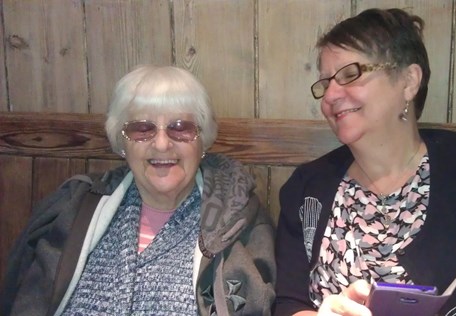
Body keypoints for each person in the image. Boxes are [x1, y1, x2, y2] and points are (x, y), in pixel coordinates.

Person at [274, 8, 456, 316]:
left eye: (349, 74)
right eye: (324, 83)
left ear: (409, 81)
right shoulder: (306, 188)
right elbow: (290, 304)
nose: (330, 95)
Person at [1, 65, 276, 315]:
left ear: (202, 141)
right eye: (142, 129)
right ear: (122, 143)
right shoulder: (73, 208)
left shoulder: (242, 222)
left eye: (180, 128)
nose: (161, 144)